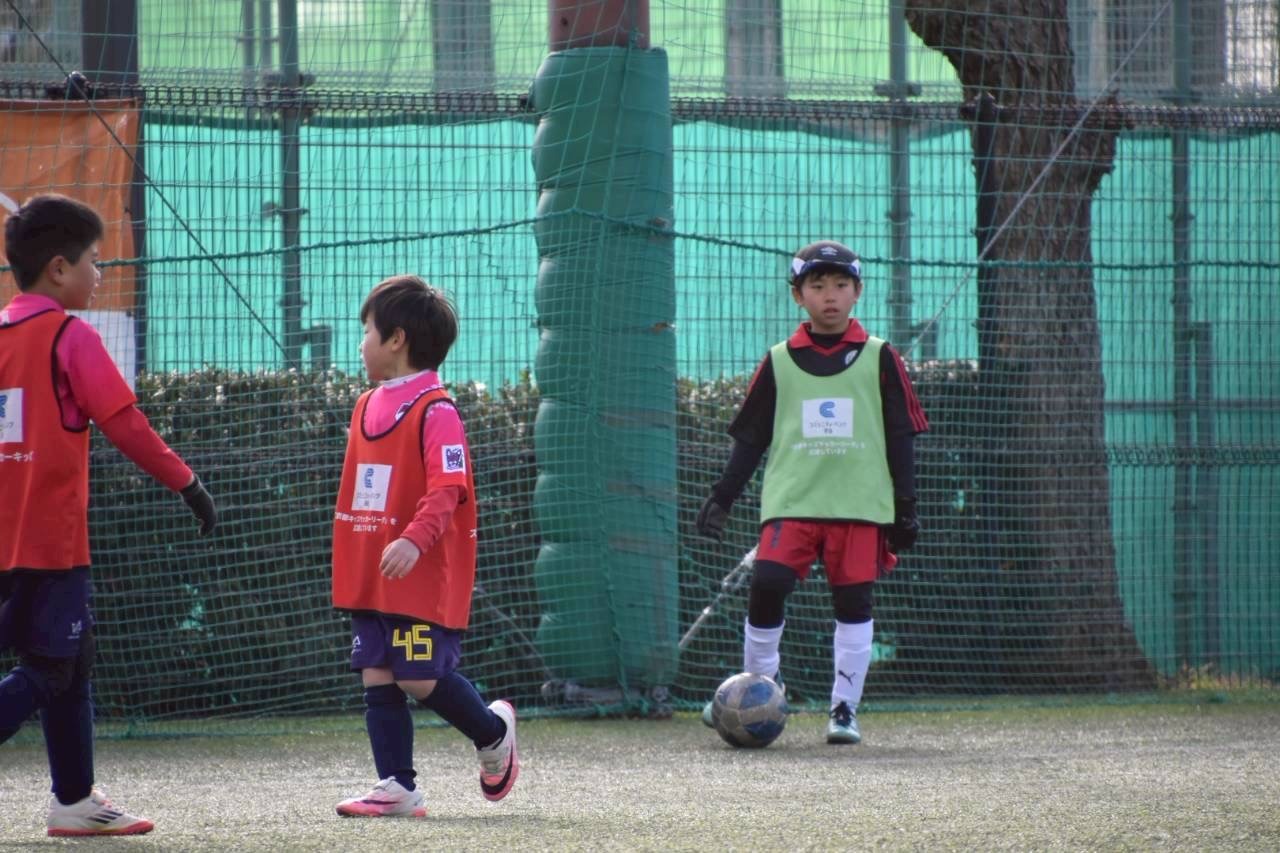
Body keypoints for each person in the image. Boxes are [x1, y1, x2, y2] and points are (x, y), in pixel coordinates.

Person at [0, 193, 217, 836]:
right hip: (51, 548)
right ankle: (73, 799)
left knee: (75, 660)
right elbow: (125, 424)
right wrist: (188, 484)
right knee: (52, 668)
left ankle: (74, 801)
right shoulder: (70, 336)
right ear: (59, 269)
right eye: (95, 260)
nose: (101, 273)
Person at [696, 240, 928, 744]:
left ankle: (844, 709)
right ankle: (758, 689)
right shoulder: (779, 361)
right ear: (797, 295)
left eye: (841, 285)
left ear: (858, 292)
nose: (830, 295)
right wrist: (723, 496)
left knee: (853, 601)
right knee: (768, 583)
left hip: (859, 505)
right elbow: (751, 437)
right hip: (792, 501)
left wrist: (906, 505)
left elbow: (901, 435)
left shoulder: (881, 357)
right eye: (817, 285)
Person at [332, 275, 517, 818]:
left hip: (417, 574)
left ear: (396, 339)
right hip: (371, 572)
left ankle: (493, 734)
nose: (361, 342)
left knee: (416, 674)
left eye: (367, 330)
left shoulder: (438, 411)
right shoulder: (365, 404)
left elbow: (448, 488)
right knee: (376, 672)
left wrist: (414, 540)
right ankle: (397, 786)